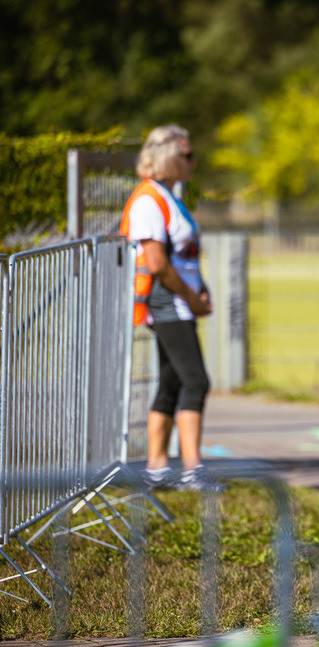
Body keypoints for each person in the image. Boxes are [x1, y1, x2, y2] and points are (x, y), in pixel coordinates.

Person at [119, 124, 224, 492]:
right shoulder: (149, 200)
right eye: (188, 155)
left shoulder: (168, 195)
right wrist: (191, 298)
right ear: (168, 157)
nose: (194, 161)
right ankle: (193, 470)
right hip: (168, 301)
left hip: (181, 300)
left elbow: (183, 256)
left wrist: (200, 289)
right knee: (196, 380)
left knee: (172, 381)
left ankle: (157, 469)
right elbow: (158, 263)